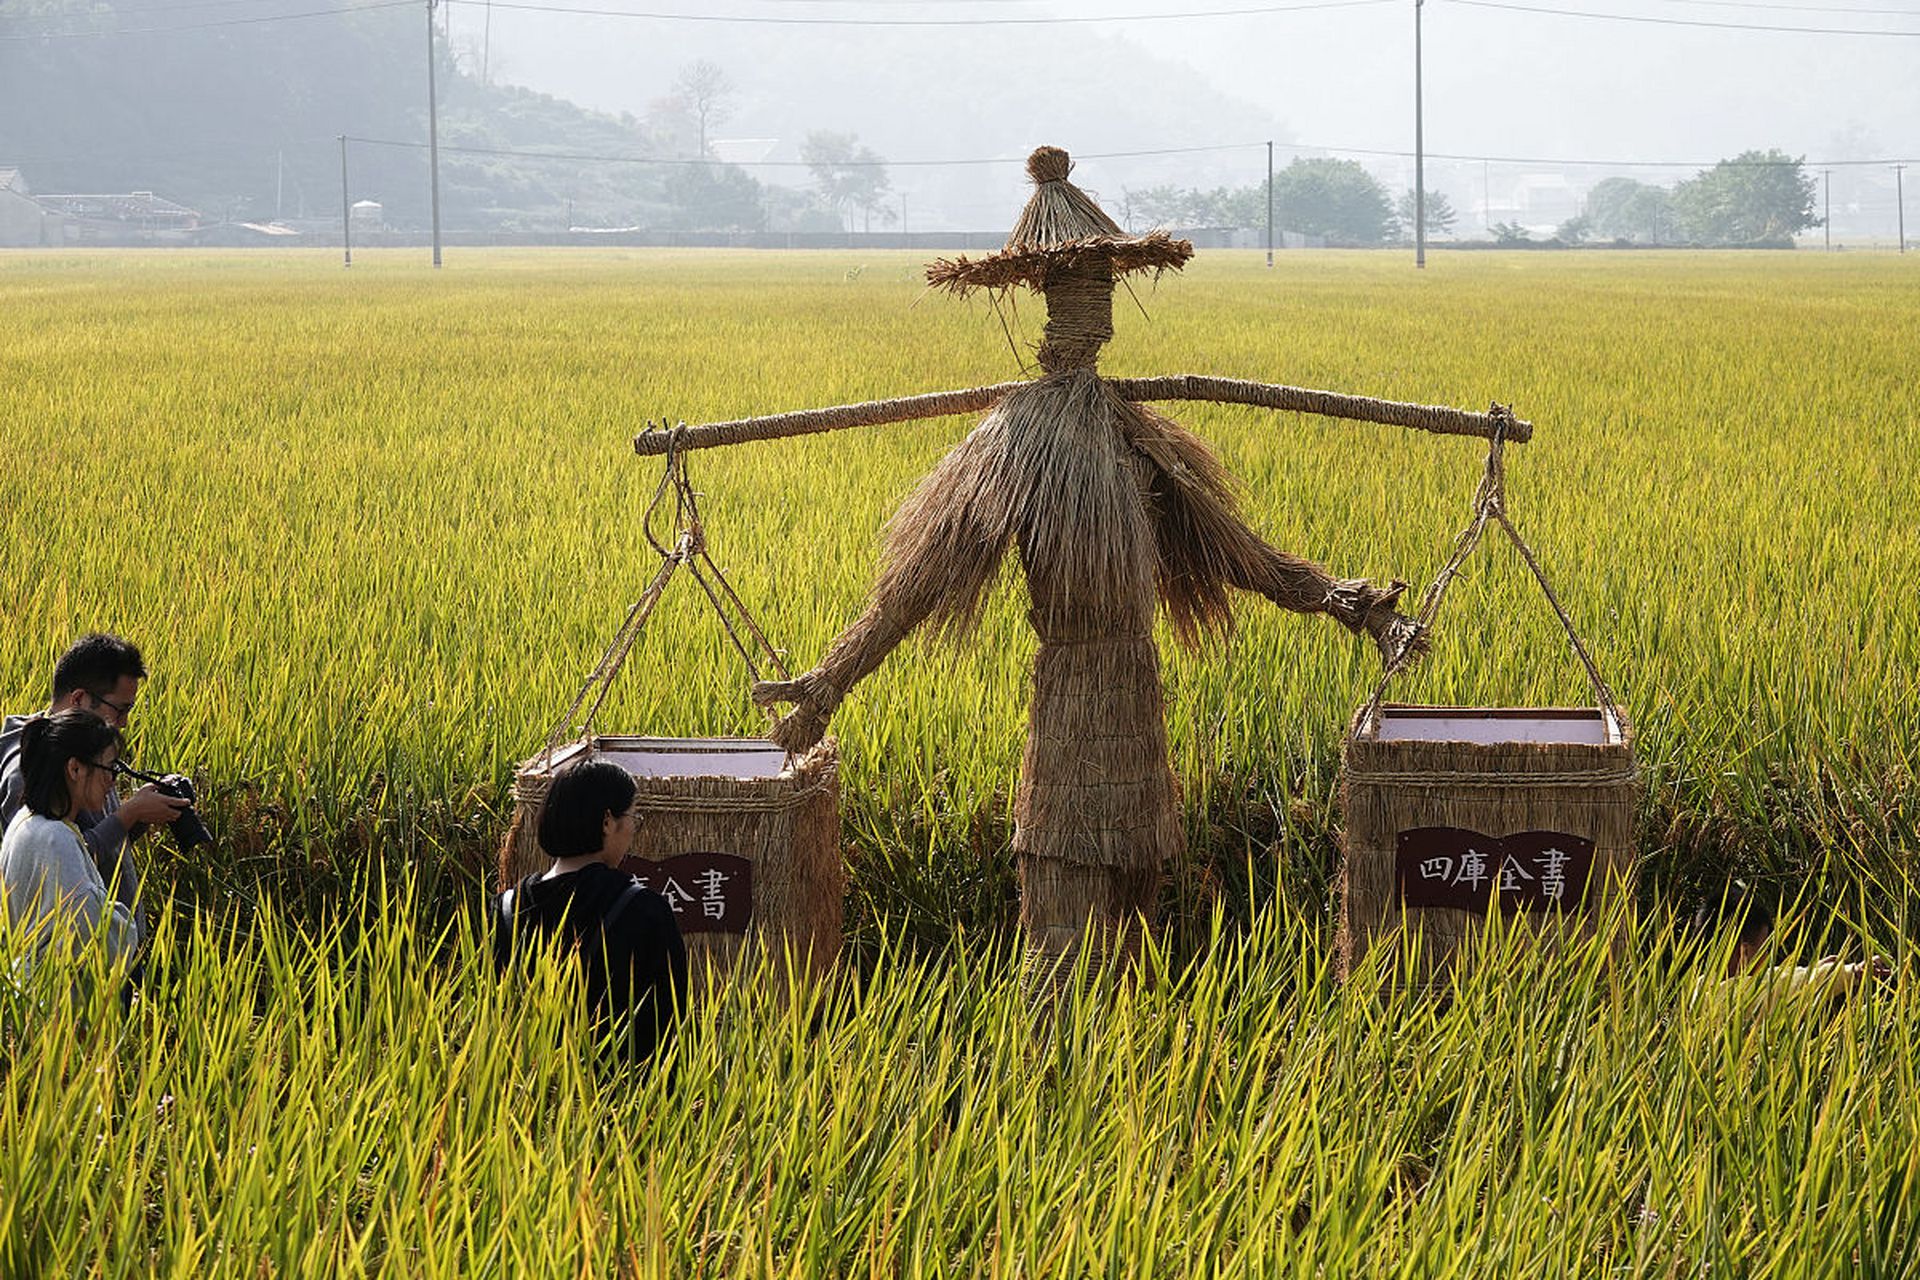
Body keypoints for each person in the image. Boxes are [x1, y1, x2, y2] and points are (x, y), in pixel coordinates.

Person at [494, 758, 686, 1062]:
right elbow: (671, 1026)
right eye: (634, 816)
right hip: (622, 1099)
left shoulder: (502, 910)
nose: (634, 828)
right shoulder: (644, 910)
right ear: (608, 822)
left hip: (518, 1096)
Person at [0, 634, 187, 942]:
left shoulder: (86, 748)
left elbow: (98, 837)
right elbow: (54, 859)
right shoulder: (28, 771)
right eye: (120, 710)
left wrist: (141, 814)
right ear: (78, 700)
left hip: (103, 958)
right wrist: (128, 815)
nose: (123, 723)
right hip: (71, 965)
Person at [0, 710, 141, 976]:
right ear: (74, 768)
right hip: (62, 1003)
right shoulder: (57, 839)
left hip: (28, 990)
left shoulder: (25, 822)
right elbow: (100, 937)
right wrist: (125, 921)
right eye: (109, 768)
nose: (112, 781)